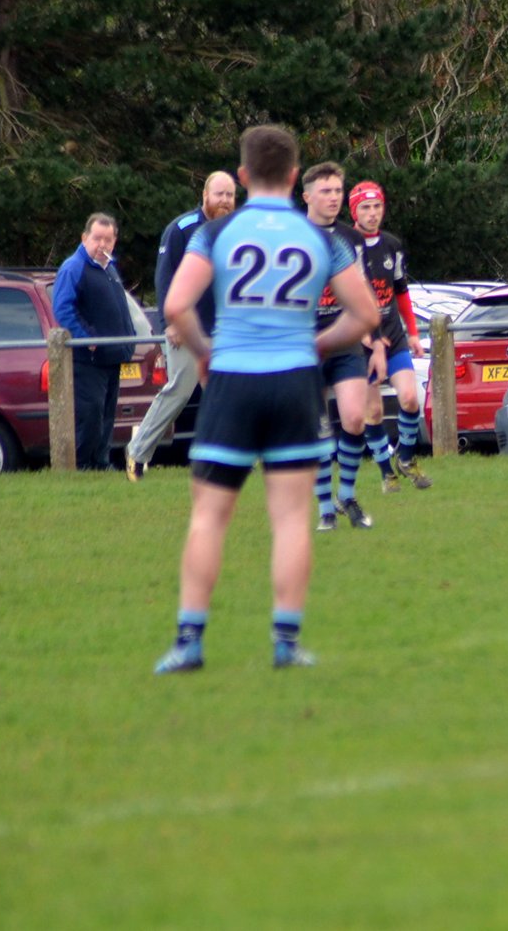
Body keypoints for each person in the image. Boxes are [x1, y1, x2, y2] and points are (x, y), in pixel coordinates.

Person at [153, 124, 379, 674]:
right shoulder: (321, 238)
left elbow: (176, 305)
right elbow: (366, 315)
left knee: (209, 517)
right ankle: (285, 642)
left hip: (233, 377)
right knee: (292, 518)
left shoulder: (217, 232)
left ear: (243, 176)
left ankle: (189, 641)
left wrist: (206, 351)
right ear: (296, 177)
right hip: (294, 382)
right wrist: (317, 344)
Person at [124, 171, 237, 481]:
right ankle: (137, 452)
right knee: (179, 392)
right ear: (205, 196)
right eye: (219, 194)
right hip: (185, 329)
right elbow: (164, 279)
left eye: (230, 195)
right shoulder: (181, 229)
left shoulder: (236, 231)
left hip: (224, 330)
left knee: (226, 393)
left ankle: (227, 458)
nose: (225, 200)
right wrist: (169, 323)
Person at [302, 162, 374, 531]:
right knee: (317, 430)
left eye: (337, 191)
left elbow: (363, 288)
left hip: (345, 341)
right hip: (305, 346)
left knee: (354, 418)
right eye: (326, 191)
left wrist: (372, 337)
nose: (333, 198)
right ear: (307, 196)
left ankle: (347, 494)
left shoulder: (351, 239)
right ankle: (324, 508)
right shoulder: (294, 236)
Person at [349, 180, 432, 493]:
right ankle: (387, 473)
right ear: (354, 211)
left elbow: (401, 292)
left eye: (377, 207)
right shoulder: (345, 246)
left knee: (410, 398)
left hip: (393, 336)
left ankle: (406, 459)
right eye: (365, 208)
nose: (372, 213)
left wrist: (413, 333)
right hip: (362, 342)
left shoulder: (392, 245)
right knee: (373, 412)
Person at [52, 212, 136, 471]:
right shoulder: (73, 267)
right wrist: (85, 338)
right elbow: (63, 307)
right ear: (84, 238)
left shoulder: (109, 268)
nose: (102, 245)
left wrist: (129, 338)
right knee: (91, 413)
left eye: (108, 240)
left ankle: (101, 462)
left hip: (112, 357)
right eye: (97, 238)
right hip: (88, 359)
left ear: (114, 241)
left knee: (107, 413)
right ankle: (84, 465)